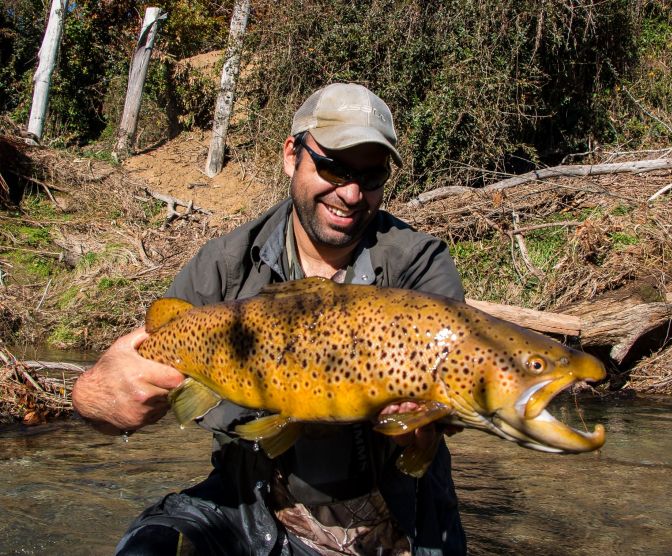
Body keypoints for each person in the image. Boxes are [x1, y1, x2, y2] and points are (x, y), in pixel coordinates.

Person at [72, 83, 467, 556]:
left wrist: (428, 424)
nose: (351, 192)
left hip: (397, 519)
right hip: (249, 506)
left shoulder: (418, 266)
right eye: (333, 166)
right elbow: (128, 375)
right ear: (290, 156)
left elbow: (462, 389)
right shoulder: (225, 266)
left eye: (372, 174)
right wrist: (96, 396)